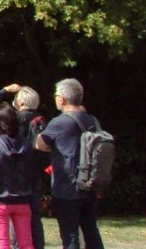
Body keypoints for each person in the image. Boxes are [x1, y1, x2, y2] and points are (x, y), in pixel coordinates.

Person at [36, 79, 105, 249]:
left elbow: (40, 144)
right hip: (90, 185)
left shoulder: (60, 122)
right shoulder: (92, 120)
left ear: (62, 99)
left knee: (70, 235)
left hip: (67, 188)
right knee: (91, 231)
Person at [0, 84, 47, 249]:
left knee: (12, 226)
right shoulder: (41, 121)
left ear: (19, 102)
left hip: (9, 178)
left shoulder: (12, 120)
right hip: (33, 176)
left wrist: (4, 90)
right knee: (32, 220)